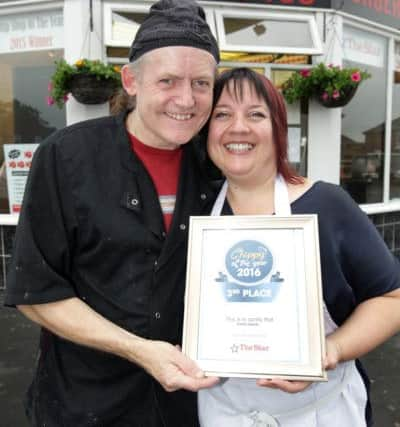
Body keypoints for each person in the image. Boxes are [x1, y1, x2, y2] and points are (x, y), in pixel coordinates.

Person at [4, 1, 220, 426]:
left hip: (192, 404)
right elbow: (36, 292)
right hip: (86, 403)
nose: (186, 99)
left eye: (201, 83)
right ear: (131, 80)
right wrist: (140, 350)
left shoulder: (215, 164)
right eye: (168, 81)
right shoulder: (66, 157)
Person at [198, 67, 400, 427]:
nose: (238, 127)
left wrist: (331, 349)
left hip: (319, 414)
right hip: (221, 414)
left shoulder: (327, 204)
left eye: (255, 114)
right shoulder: (195, 212)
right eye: (222, 114)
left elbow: (392, 299)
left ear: (278, 130)